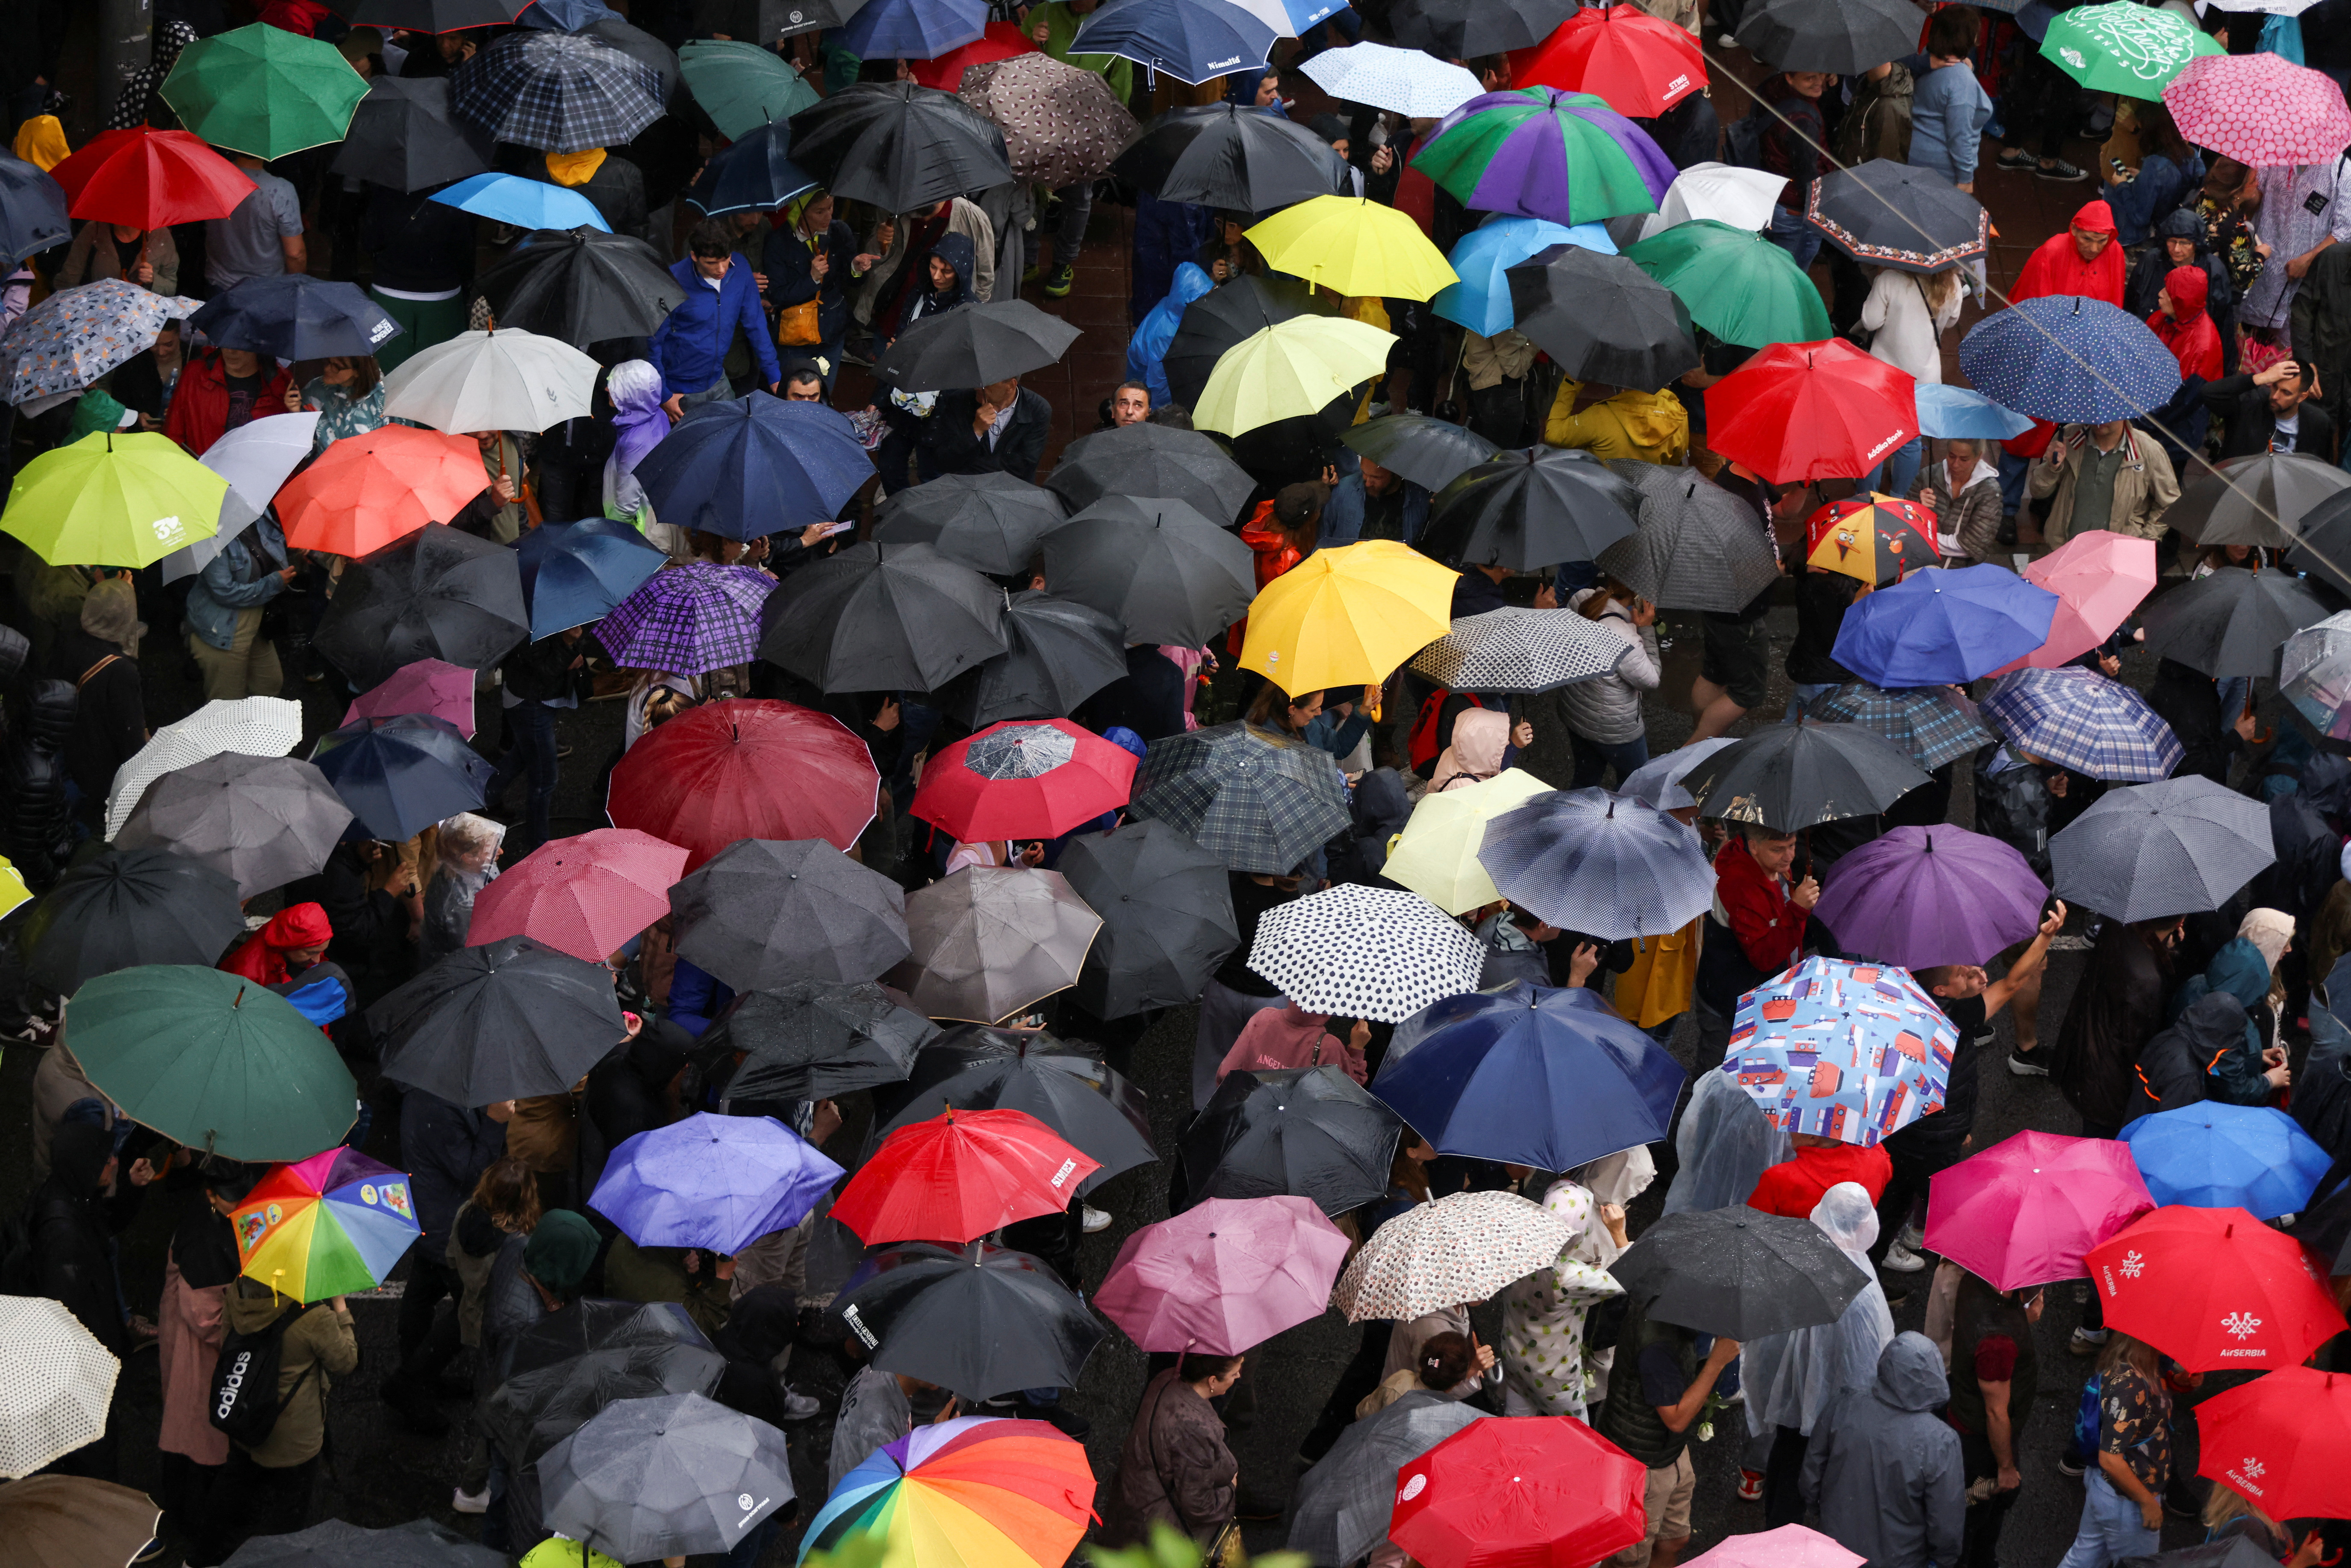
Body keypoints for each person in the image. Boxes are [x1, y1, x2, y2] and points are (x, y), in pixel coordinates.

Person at [1740, 1184, 1896, 1525]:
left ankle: (1774, 1529)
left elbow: (1763, 1335)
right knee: (1810, 1482)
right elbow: (1865, 1360)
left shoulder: (1792, 1258)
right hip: (1831, 1412)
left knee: (1787, 1458)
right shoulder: (1860, 1286)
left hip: (1787, 1399)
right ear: (1861, 1225)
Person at [192, 1282, 357, 1562]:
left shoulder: (238, 1292)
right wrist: (340, 1308)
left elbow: (228, 1342)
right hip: (295, 1434)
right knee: (287, 1513)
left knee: (233, 1490)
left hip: (246, 1416)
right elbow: (346, 1361)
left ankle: (201, 1557)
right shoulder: (314, 1316)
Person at [1799, 1333, 1965, 1568]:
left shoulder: (1844, 1403)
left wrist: (1817, 1508)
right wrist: (1944, 1559)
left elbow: (1812, 1471)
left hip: (1834, 1550)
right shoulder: (1941, 1442)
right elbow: (1946, 1520)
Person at [1597, 1295, 1739, 1568]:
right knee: (1630, 1559)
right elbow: (1676, 1419)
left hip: (1669, 1451)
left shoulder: (1669, 1308)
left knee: (1673, 1541)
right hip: (1643, 1466)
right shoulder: (1657, 1346)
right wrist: (1717, 1362)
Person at [158, 1162, 256, 1541]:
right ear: (210, 1195)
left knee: (190, 1429)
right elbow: (207, 1321)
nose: (240, 1206)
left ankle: (186, 1510)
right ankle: (194, 1521)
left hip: (191, 1339)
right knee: (200, 1432)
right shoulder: (204, 1243)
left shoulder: (206, 1220)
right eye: (232, 1200)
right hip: (198, 1350)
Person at [1500, 1176, 1629, 1421]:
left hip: (1515, 1361)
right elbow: (1630, 1282)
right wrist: (1619, 1234)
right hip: (1555, 1379)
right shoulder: (1569, 1276)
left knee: (1515, 1428)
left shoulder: (1514, 1250)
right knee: (1576, 1440)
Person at [2054, 1334, 2189, 1568]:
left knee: (2084, 1559)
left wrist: (2181, 1382)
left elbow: (2150, 1409)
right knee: (2139, 1565)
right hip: (2127, 1501)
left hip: (2106, 1489)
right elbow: (2109, 1459)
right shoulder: (2130, 1387)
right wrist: (2147, 1503)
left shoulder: (2139, 1367)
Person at [1694, 825, 1818, 1068]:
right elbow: (1763, 957)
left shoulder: (1770, 865)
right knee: (1713, 1079)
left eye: (1792, 845)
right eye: (1778, 850)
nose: (1789, 856)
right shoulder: (1740, 885)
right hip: (1730, 1006)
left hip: (1754, 997)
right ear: (1754, 846)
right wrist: (1798, 909)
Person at [1944, 1275, 2044, 1568]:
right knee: (1976, 1515)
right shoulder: (1998, 1343)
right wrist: (2006, 1467)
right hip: (1982, 1444)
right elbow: (1996, 1413)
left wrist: (2023, 1317)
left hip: (1965, 1413)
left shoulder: (1973, 1281)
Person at [1102, 1353, 1242, 1546]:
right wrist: (1231, 1489)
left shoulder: (1166, 1378)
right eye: (1234, 1374)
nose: (1238, 1377)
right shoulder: (1195, 1428)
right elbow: (1199, 1506)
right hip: (1161, 1530)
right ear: (1212, 1381)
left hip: (1134, 1503)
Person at [650, 219, 781, 419]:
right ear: (694, 256)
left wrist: (773, 374)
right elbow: (653, 342)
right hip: (680, 388)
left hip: (718, 379)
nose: (721, 269)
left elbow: (756, 323)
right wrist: (664, 395)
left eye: (726, 259)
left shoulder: (741, 269)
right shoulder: (672, 280)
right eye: (711, 263)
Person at [56, 578, 146, 824]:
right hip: (105, 770)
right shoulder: (120, 670)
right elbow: (130, 735)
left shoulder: (70, 638)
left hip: (75, 749)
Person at [360, 183, 476, 372]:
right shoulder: (455, 196)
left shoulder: (384, 193)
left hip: (389, 293)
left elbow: (370, 242)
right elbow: (464, 253)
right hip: (441, 298)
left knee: (387, 376)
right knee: (437, 375)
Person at [1560, 577, 1660, 788]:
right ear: (1636, 595)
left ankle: (1573, 819)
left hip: (1578, 714)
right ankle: (1618, 819)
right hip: (1614, 729)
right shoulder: (1623, 635)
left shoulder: (1581, 600)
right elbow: (1651, 680)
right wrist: (1646, 629)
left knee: (1586, 778)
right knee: (1635, 783)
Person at [765, 190, 865, 394]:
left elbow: (852, 283)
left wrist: (856, 268)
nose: (829, 216)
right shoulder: (778, 242)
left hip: (831, 332)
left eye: (831, 207)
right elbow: (777, 295)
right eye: (820, 211)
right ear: (800, 213)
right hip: (794, 338)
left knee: (823, 396)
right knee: (792, 398)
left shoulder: (840, 232)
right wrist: (811, 278)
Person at [2027, 419, 2179, 545]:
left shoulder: (2148, 450)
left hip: (2117, 557)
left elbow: (2170, 504)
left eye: (2109, 411)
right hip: (2063, 549)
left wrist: (2144, 539)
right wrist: (2051, 469)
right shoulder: (2068, 437)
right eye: (2094, 408)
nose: (2100, 419)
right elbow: (2038, 492)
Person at [1906, 8, 1990, 191]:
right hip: (1941, 169)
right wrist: (1966, 178)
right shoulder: (1961, 80)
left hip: (1914, 156)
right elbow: (1960, 135)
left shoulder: (1927, 62)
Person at [1757, 70, 1829, 270]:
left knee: (1768, 262)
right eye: (1810, 78)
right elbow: (1807, 177)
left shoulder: (1772, 87)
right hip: (1794, 210)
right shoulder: (1803, 124)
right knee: (1789, 274)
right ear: (1790, 77)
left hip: (1771, 193)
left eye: (1822, 75)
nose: (1818, 83)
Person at [205, 150, 306, 292]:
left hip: (219, 284)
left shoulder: (211, 179)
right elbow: (295, 254)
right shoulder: (282, 191)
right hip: (266, 289)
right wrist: (296, 287)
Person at [166, 345, 291, 456]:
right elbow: (173, 434)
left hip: (257, 477)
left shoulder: (280, 383)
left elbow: (287, 447)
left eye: (240, 345)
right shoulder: (195, 374)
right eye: (226, 343)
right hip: (201, 476)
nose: (231, 351)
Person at [2202, 358, 2335, 462]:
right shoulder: (2251, 403)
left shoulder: (2318, 423)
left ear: (2301, 397)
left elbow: (2319, 464)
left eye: (2286, 393)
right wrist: (2260, 378)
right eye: (2274, 387)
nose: (2276, 396)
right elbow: (2207, 393)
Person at [925, 374, 1052, 483]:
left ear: (1011, 386)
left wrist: (973, 469)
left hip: (1011, 492)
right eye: (978, 381)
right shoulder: (959, 401)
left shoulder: (1038, 409)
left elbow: (1024, 466)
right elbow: (944, 460)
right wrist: (976, 431)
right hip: (965, 488)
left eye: (986, 385)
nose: (977, 388)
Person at [418, 812, 503, 965]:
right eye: (493, 849)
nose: (501, 852)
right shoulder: (460, 905)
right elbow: (479, 952)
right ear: (468, 857)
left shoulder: (453, 869)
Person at [2011, 201, 2126, 306]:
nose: (2094, 249)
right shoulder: (2051, 251)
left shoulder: (2114, 250)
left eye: (2102, 241)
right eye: (2087, 239)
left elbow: (2115, 300)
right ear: (2074, 229)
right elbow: (2037, 302)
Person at [1129, 263, 1211, 408]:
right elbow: (1158, 385)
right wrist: (1165, 414)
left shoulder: (1173, 304)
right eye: (1202, 298)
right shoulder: (1165, 336)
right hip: (1145, 385)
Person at [1909, 438, 2000, 566]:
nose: (1956, 464)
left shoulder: (1990, 493)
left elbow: (1972, 546)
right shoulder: (1927, 476)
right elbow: (1904, 523)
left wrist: (1925, 538)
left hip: (1962, 570)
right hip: (1919, 559)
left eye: (1964, 460)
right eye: (1952, 456)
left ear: (1978, 456)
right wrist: (1917, 506)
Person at [1319, 451, 1430, 546]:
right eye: (1364, 473)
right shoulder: (1344, 490)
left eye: (1377, 478)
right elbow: (1323, 537)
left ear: (1397, 474)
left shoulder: (1419, 499)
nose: (1368, 483)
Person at [288, 354, 387, 452]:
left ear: (357, 372)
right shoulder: (313, 392)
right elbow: (305, 450)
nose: (327, 369)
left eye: (336, 367)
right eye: (328, 362)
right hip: (325, 466)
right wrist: (296, 414)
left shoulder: (380, 395)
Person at [221, 904, 333, 987]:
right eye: (311, 953)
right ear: (289, 945)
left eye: (320, 951)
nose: (318, 960)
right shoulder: (245, 976)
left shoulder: (307, 944)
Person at [60, 219, 178, 293]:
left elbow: (171, 287)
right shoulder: (94, 229)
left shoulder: (161, 235)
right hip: (98, 313)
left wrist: (153, 280)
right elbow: (70, 277)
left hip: (142, 317)